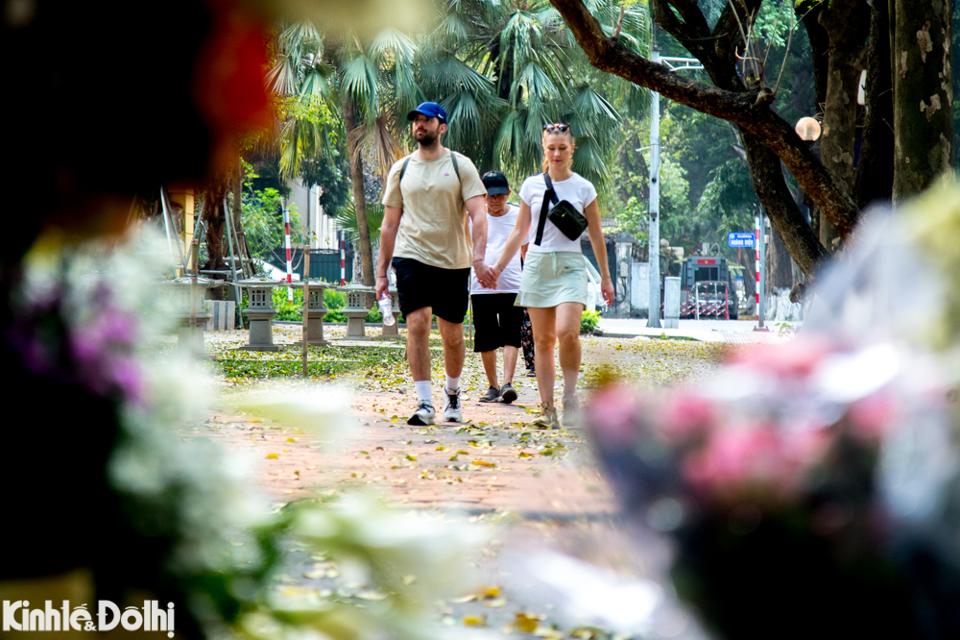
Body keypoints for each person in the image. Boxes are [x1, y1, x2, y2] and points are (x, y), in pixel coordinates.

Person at [377, 101, 496, 426]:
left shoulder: (460, 166)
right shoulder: (401, 169)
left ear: (441, 127)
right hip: (411, 255)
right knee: (416, 324)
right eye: (415, 120)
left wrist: (478, 256)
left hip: (452, 261)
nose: (419, 125)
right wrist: (381, 272)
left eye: (426, 120)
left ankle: (453, 393)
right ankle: (425, 403)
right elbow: (389, 225)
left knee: (452, 334)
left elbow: (478, 215)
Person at [490, 123, 615, 428]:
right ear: (544, 149)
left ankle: (569, 395)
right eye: (551, 148)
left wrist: (605, 278)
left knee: (567, 332)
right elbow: (520, 231)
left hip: (571, 265)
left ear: (572, 149)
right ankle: (547, 409)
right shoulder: (531, 186)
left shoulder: (584, 188)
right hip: (537, 265)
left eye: (562, 148)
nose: (556, 153)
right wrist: (497, 267)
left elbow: (596, 236)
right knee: (542, 340)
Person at [471, 171, 526, 404]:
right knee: (486, 337)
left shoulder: (518, 216)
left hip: (512, 284)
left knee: (511, 335)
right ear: (484, 196)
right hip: (480, 286)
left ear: (508, 193)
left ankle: (507, 383)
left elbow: (525, 249)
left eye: (500, 195)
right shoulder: (473, 217)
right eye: (491, 196)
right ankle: (492, 385)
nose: (496, 200)